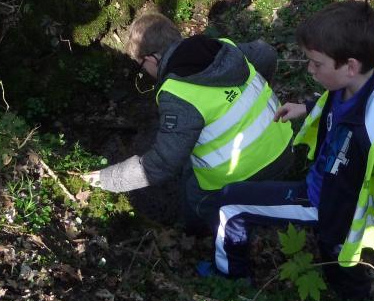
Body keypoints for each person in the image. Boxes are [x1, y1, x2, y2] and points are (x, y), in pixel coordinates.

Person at [204, 0, 374, 301]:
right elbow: (338, 97)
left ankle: (227, 280)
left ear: (349, 65)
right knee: (338, 262)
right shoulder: (372, 73)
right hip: (336, 196)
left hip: (326, 203)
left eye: (316, 63)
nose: (310, 69)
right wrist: (307, 108)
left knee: (230, 204)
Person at [81, 12, 295, 234]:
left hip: (251, 175)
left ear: (152, 58)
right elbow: (265, 53)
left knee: (193, 192)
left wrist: (109, 179)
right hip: (286, 147)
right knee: (190, 163)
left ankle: (196, 236)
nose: (144, 71)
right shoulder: (222, 48)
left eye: (141, 64)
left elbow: (162, 164)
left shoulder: (178, 93)